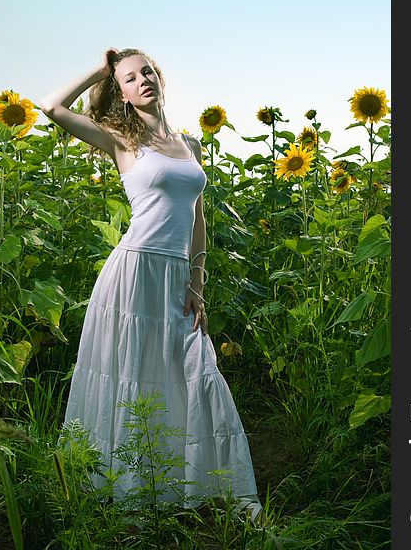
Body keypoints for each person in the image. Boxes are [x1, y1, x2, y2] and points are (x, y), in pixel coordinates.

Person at [39, 48, 264, 523]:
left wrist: (197, 281)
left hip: (176, 276)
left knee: (197, 375)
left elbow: (197, 217)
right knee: (131, 378)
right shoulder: (121, 140)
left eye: (146, 72)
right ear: (118, 91)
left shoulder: (190, 146)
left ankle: (218, 491)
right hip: (135, 272)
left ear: (159, 78)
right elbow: (52, 107)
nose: (141, 80)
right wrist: (100, 71)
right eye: (128, 78)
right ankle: (132, 494)